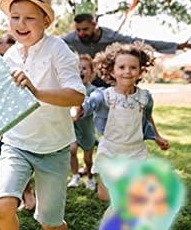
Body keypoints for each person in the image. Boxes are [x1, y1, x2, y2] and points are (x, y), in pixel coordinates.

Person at [0, 0, 85, 230]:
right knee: (2, 203)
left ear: (46, 21)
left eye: (29, 18)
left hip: (54, 148)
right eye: (14, 17)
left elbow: (76, 95)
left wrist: (37, 91)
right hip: (17, 143)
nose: (20, 24)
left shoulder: (59, 51)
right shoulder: (9, 56)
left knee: (49, 220)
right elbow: (4, 100)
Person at [73, 41, 169, 202]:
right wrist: (77, 110)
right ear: (112, 71)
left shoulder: (145, 97)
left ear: (140, 72)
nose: (127, 72)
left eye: (133, 67)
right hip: (110, 150)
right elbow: (88, 105)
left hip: (135, 151)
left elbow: (147, 118)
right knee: (104, 196)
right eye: (122, 67)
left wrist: (157, 137)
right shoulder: (104, 95)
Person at [0, 32, 36, 212]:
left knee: (27, 157)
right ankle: (23, 194)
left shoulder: (25, 71)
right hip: (5, 124)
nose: (4, 60)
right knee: (9, 159)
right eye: (0, 55)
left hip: (26, 122)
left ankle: (29, 193)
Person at [62, 13, 190, 62]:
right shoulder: (73, 38)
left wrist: (176, 46)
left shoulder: (111, 36)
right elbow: (55, 42)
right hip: (86, 78)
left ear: (95, 25)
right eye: (78, 30)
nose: (81, 34)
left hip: (106, 78)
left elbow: (141, 42)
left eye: (85, 29)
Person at [68, 55, 97, 191]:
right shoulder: (70, 90)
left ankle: (90, 178)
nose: (81, 71)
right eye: (77, 68)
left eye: (84, 68)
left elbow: (92, 107)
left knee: (88, 159)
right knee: (71, 150)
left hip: (87, 130)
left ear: (91, 72)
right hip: (73, 128)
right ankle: (75, 176)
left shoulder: (93, 91)